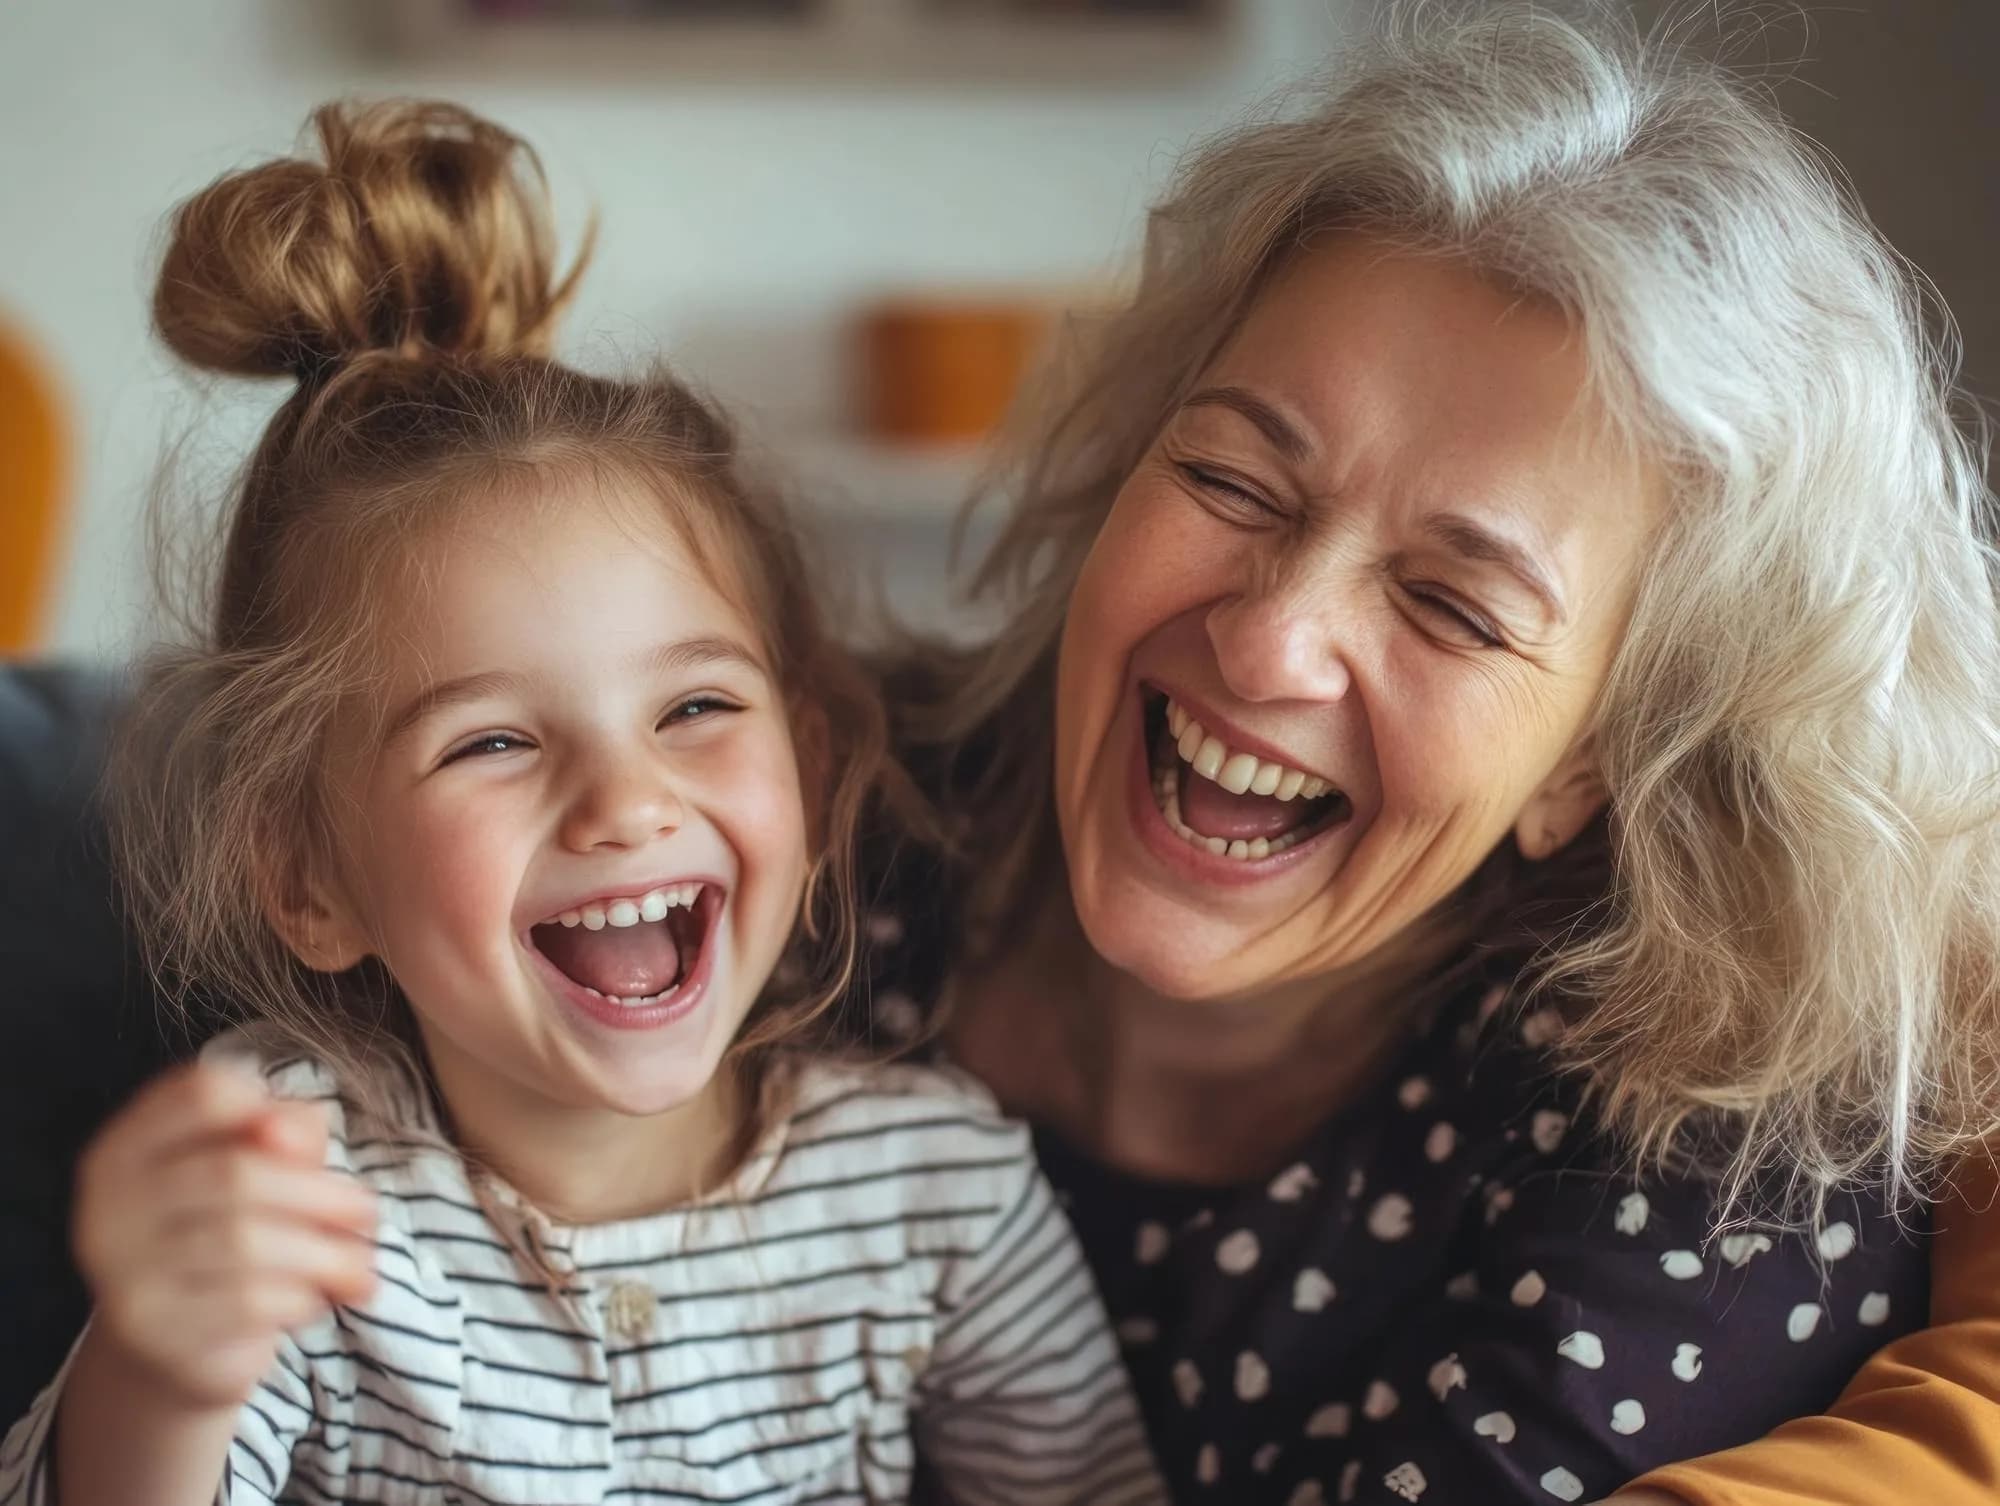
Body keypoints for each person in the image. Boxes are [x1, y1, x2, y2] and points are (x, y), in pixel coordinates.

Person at [857, 6, 2000, 1503]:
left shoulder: (1716, 1171)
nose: (1272, 640)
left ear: (1597, 757)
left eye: (1454, 604)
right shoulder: (786, 818)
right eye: (1228, 475)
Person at [0, 100, 1164, 1506]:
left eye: (695, 709)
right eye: (490, 740)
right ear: (310, 876)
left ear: (805, 755)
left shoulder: (938, 1191)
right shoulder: (289, 1177)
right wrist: (165, 1368)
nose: (624, 800)